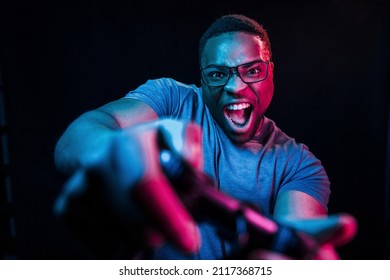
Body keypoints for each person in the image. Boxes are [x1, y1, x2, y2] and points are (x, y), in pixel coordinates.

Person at [54, 14, 356, 259]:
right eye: (218, 74)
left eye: (251, 71)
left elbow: (293, 235)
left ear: (270, 72)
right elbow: (85, 132)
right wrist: (112, 154)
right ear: (202, 79)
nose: (235, 87)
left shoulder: (299, 165)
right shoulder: (171, 99)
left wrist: (287, 253)